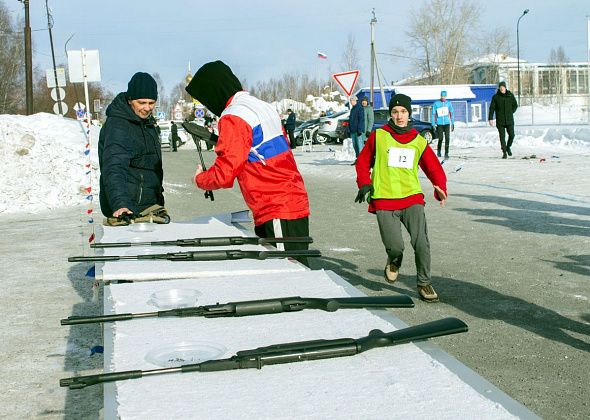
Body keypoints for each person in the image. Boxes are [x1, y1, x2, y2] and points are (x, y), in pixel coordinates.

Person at [185, 60, 311, 264]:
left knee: (287, 276)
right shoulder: (261, 106)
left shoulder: (233, 115)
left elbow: (225, 173)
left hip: (275, 207)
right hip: (291, 200)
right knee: (296, 272)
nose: (208, 106)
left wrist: (200, 179)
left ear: (213, 91)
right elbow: (262, 151)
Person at [355, 93, 447, 302]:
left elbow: (434, 168)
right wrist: (364, 183)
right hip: (384, 199)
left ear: (409, 113)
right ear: (390, 114)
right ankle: (394, 260)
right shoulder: (378, 136)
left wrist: (440, 186)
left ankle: (424, 283)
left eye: (403, 112)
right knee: (396, 246)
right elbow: (362, 163)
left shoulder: (418, 140)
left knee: (421, 243)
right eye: (395, 112)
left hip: (412, 197)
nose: (399, 116)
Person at [98, 72, 168, 224]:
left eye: (151, 103)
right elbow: (113, 167)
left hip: (149, 208)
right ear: (130, 100)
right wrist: (120, 204)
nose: (147, 108)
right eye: (142, 103)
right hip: (128, 211)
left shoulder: (147, 123)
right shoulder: (119, 125)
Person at [488, 81, 518, 159]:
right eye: (500, 87)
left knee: (512, 135)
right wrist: (490, 118)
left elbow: (515, 105)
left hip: (509, 120)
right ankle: (504, 152)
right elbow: (492, 108)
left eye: (503, 87)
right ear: (499, 88)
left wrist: (511, 111)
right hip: (500, 120)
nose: (502, 88)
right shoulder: (496, 97)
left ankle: (508, 147)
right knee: (502, 137)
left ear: (505, 87)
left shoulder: (510, 95)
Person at [431, 90, 454, 159]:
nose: (443, 97)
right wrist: (433, 124)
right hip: (439, 123)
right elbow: (433, 114)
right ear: (440, 96)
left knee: (447, 138)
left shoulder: (448, 103)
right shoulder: (436, 104)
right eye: (442, 96)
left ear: (446, 96)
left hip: (447, 123)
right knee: (440, 138)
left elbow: (451, 113)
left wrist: (452, 123)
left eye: (444, 96)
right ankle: (439, 151)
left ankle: (446, 153)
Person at [348, 95, 365, 162]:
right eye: (350, 101)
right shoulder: (352, 109)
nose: (351, 102)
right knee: (355, 146)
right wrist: (349, 129)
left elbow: (361, 120)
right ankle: (358, 159)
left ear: (356, 101)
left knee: (360, 146)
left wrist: (360, 130)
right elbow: (350, 120)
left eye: (352, 100)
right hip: (353, 131)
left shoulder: (360, 108)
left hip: (358, 131)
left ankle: (362, 160)